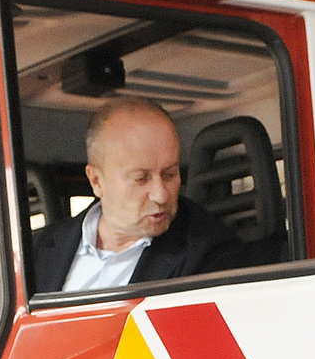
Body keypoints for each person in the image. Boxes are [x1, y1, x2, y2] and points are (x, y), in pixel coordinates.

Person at [29, 97, 249, 294]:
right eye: (141, 178)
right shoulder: (36, 252)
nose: (161, 195)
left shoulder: (211, 252)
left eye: (170, 174)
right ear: (96, 180)